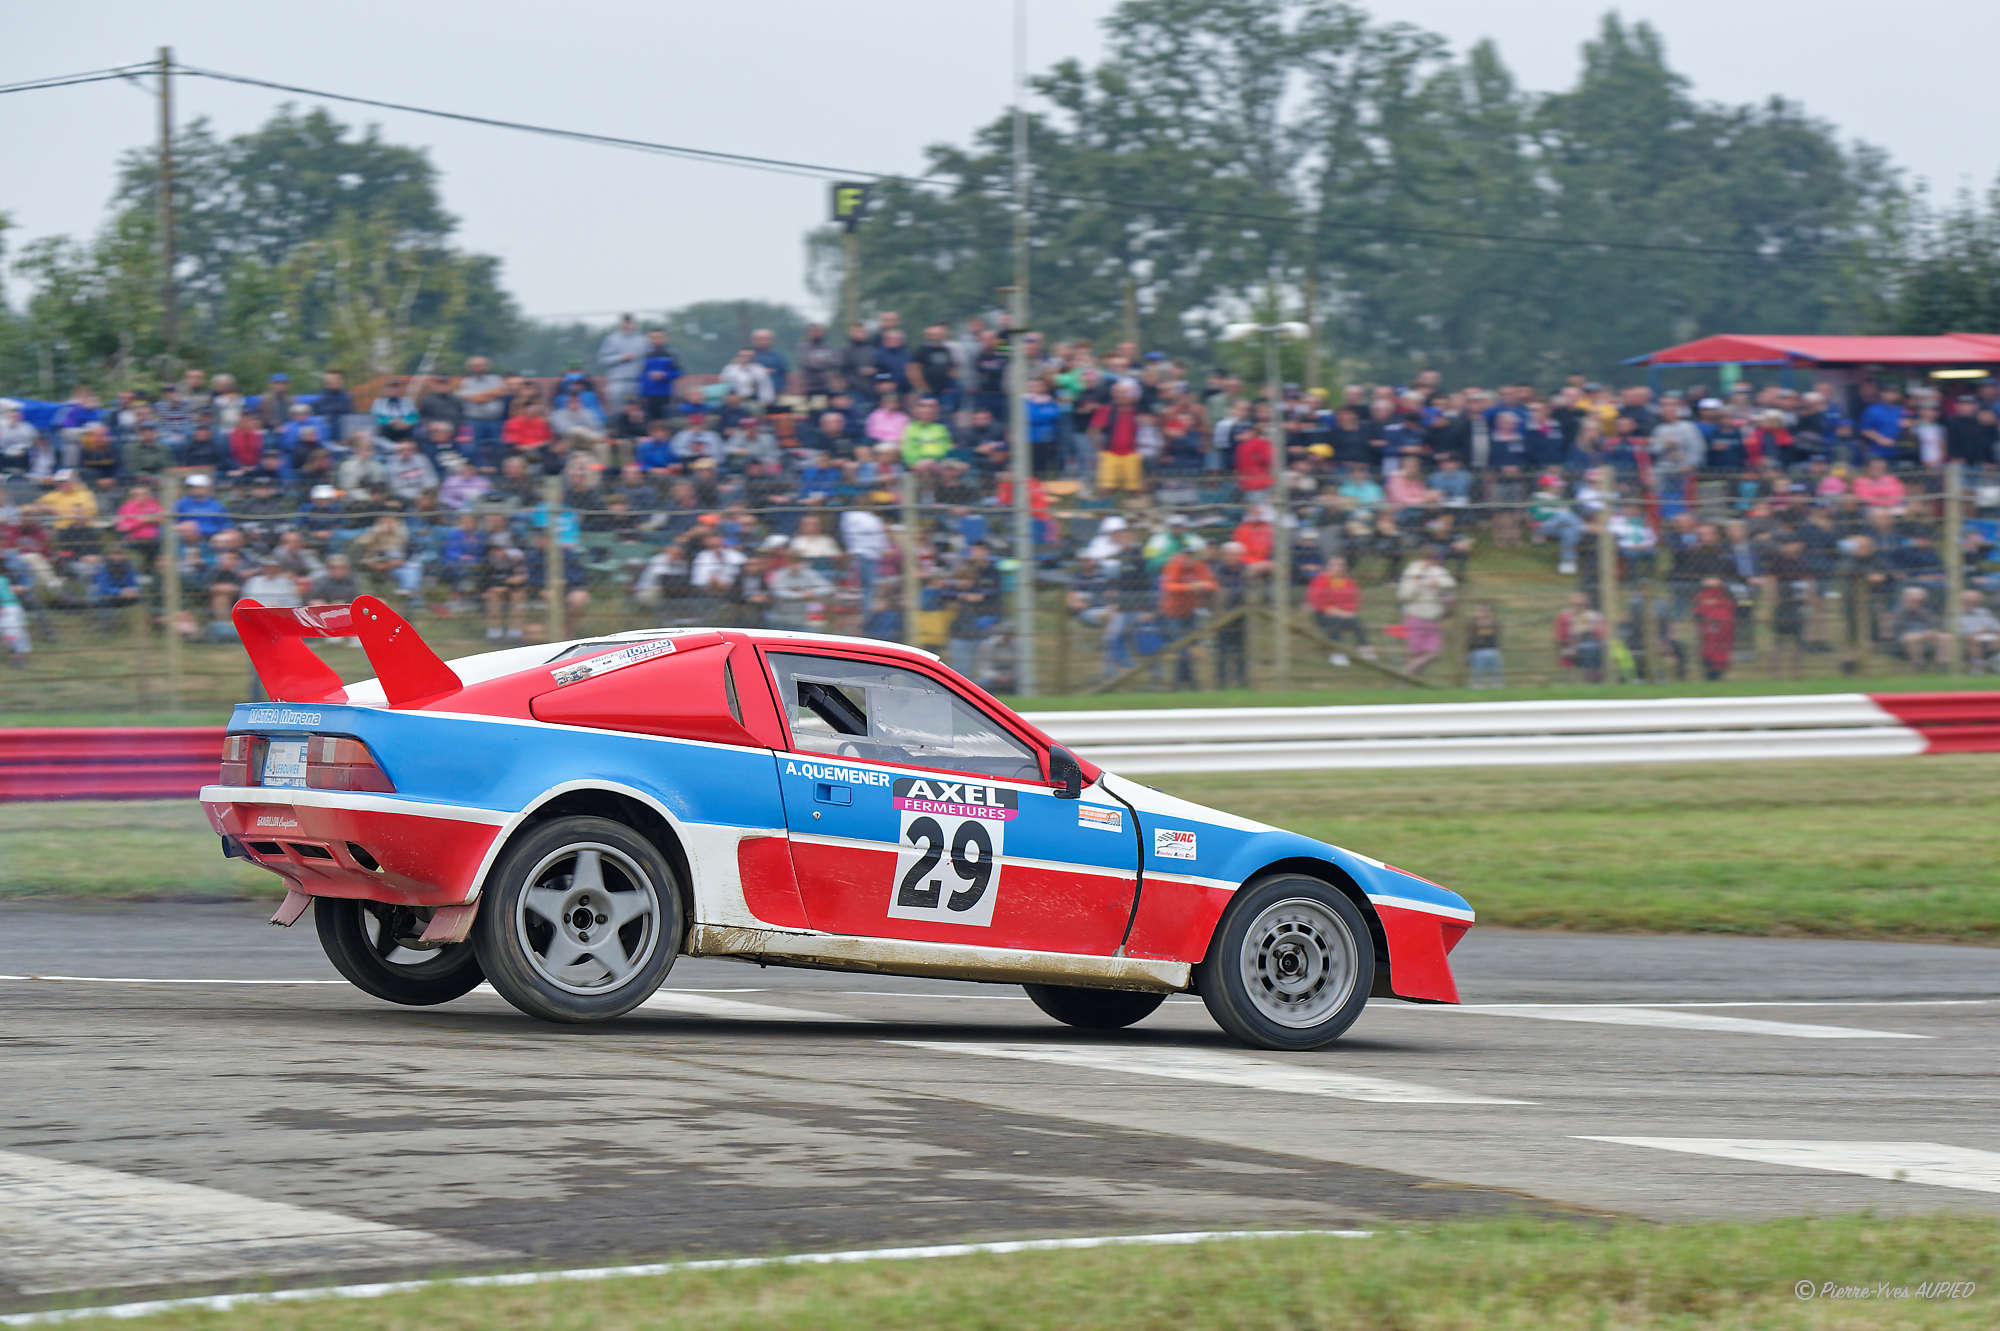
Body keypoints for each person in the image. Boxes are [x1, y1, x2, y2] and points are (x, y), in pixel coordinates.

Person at [1157, 538, 1218, 690]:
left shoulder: (1199, 566)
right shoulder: (1174, 565)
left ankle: (1184, 683)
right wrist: (1190, 587)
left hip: (1190, 612)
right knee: (1181, 648)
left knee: (1189, 649)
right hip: (1172, 613)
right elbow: (1168, 586)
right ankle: (1185, 683)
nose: (1188, 559)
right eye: (1186, 555)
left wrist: (1203, 585)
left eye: (1192, 556)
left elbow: (1213, 584)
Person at [1395, 546, 1456, 675]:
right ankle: (1409, 682)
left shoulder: (1438, 570)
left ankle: (1404, 675)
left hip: (1433, 619)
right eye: (1433, 559)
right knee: (1416, 655)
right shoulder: (1412, 571)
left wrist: (1438, 583)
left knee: (1434, 652)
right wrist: (1417, 582)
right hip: (1415, 617)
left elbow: (1450, 583)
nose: (1435, 562)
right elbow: (1404, 595)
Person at [1305, 555, 1364, 665]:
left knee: (1357, 622)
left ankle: (1364, 649)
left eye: (1341, 565)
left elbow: (1354, 601)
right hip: (1323, 615)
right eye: (1335, 565)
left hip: (1344, 614)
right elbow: (1317, 601)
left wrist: (1347, 612)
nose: (1338, 568)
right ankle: (1337, 653)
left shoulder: (1349, 582)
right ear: (1328, 567)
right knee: (1334, 622)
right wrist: (1336, 611)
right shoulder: (1320, 580)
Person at [597, 314, 647, 414]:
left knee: (634, 410)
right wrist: (621, 357)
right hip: (617, 382)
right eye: (625, 322)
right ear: (621, 324)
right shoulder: (612, 339)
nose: (627, 325)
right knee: (617, 412)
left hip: (635, 383)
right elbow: (603, 359)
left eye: (630, 322)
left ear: (634, 324)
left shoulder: (642, 340)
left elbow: (647, 359)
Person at [1465, 601, 1504, 687]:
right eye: (1480, 611)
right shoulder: (1472, 623)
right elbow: (1469, 641)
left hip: (1492, 651)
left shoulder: (1494, 623)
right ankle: (1477, 683)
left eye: (1486, 611)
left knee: (1494, 656)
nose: (1483, 613)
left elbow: (1497, 631)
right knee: (1480, 656)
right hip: (1476, 652)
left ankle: (1497, 683)